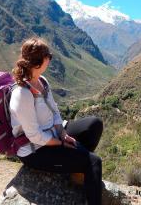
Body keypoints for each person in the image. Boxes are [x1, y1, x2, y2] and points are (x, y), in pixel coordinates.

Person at [9, 37, 104, 205]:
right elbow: (35, 136)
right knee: (94, 161)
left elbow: (54, 112)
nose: (50, 58)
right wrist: (60, 144)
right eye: (48, 56)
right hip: (34, 150)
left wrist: (62, 133)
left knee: (94, 124)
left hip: (52, 134)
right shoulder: (22, 94)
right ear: (38, 61)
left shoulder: (42, 81)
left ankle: (77, 166)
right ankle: (84, 167)